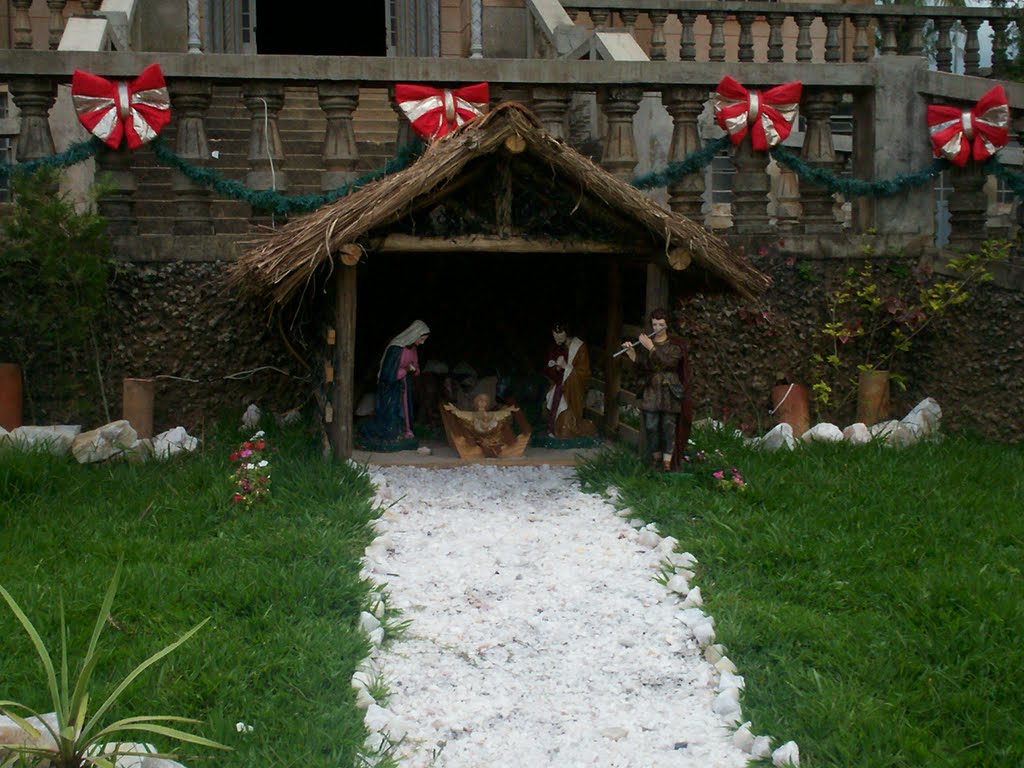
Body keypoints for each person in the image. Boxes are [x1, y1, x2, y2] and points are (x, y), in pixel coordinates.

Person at [621, 308, 692, 472]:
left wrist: (652, 348)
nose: (657, 327)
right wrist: (632, 354)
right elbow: (645, 367)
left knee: (668, 427)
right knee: (651, 427)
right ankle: (656, 458)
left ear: (667, 325)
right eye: (654, 324)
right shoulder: (648, 345)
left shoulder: (675, 345)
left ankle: (667, 464)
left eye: (661, 324)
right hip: (652, 391)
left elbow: (668, 363)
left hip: (669, 391)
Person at [359, 320, 430, 442]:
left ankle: (402, 432)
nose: (421, 343)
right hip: (390, 389)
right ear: (415, 334)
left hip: (403, 387)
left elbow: (416, 366)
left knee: (405, 413)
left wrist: (414, 370)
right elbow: (388, 374)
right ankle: (380, 433)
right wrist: (406, 370)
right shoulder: (395, 348)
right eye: (421, 339)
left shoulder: (413, 349)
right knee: (389, 414)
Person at [543, 322, 597, 438]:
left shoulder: (579, 347)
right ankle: (552, 428)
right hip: (558, 388)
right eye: (555, 333)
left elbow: (583, 374)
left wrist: (566, 367)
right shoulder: (555, 347)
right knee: (552, 409)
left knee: (566, 428)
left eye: (560, 333)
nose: (557, 336)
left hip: (571, 392)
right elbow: (549, 370)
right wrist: (556, 368)